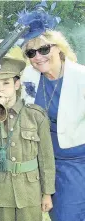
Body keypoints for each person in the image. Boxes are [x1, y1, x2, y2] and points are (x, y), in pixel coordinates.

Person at [0, 55, 56, 221]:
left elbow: (46, 158)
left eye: (6, 83)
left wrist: (47, 193)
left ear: (17, 84)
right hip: (0, 192)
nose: (1, 89)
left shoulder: (35, 115)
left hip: (29, 191)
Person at [21, 30, 85, 221]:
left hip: (75, 161)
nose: (38, 57)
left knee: (69, 216)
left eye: (44, 49)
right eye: (31, 53)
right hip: (44, 162)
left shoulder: (81, 76)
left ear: (59, 48)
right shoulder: (29, 76)